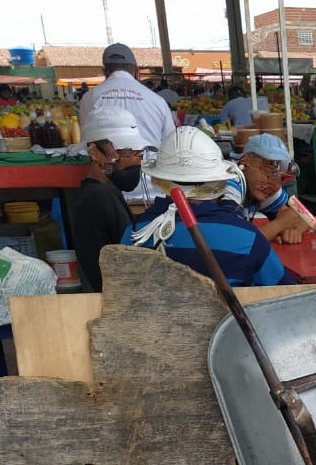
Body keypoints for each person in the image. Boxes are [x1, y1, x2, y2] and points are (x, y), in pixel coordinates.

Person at [122, 127, 293, 287]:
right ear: (219, 182)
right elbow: (287, 294)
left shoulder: (134, 232)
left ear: (158, 180)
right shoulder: (248, 238)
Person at [79, 43, 176, 204]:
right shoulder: (157, 101)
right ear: (137, 71)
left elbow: (86, 143)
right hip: (153, 189)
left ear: (104, 71)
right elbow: (171, 145)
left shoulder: (90, 98)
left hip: (108, 191)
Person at [73, 106, 154, 291]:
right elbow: (132, 254)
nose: (134, 162)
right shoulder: (103, 195)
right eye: (124, 153)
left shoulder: (97, 192)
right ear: (94, 153)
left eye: (138, 154)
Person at [223, 133, 307, 245]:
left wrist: (294, 231)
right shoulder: (230, 179)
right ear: (245, 161)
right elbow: (232, 240)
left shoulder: (262, 187)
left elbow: (298, 217)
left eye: (280, 177)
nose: (273, 184)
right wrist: (279, 225)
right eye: (267, 171)